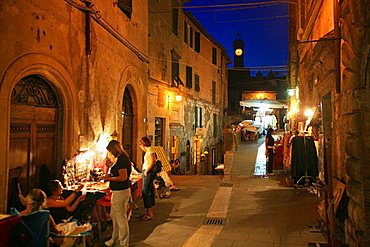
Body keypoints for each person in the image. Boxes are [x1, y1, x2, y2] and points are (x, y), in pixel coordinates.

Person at [103, 140, 132, 247]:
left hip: (120, 192)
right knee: (114, 217)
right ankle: (114, 240)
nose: (108, 154)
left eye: (109, 152)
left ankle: (123, 243)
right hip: (119, 192)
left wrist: (110, 178)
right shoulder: (120, 159)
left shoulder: (122, 160)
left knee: (121, 219)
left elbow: (123, 177)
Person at [138, 136, 157, 221]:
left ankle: (149, 213)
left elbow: (153, 161)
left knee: (145, 191)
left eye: (140, 144)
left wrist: (147, 171)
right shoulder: (149, 150)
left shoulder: (150, 150)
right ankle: (149, 211)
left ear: (142, 144)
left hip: (148, 172)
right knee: (148, 191)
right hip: (147, 172)